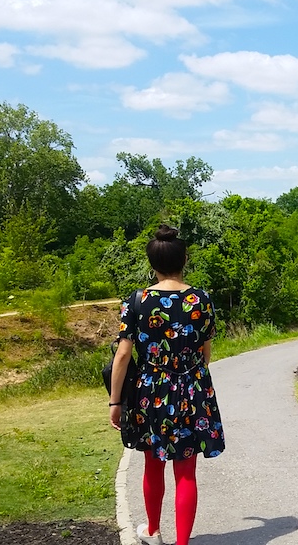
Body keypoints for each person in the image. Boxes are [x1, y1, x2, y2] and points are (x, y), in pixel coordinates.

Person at [109, 225, 225, 545]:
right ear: (184, 259)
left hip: (150, 392)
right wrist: (190, 379)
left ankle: (153, 531)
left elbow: (122, 355)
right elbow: (206, 351)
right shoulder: (201, 299)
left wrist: (115, 401)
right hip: (192, 387)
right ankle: (182, 543)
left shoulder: (137, 301)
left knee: (153, 463)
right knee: (186, 471)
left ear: (152, 263)